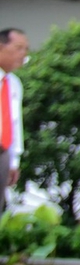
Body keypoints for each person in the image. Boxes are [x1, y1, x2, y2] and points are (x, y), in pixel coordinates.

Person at [1, 28, 25, 211]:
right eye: (18, 48)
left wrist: (14, 161)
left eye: (25, 49)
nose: (23, 54)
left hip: (4, 154)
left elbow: (15, 123)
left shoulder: (14, 83)